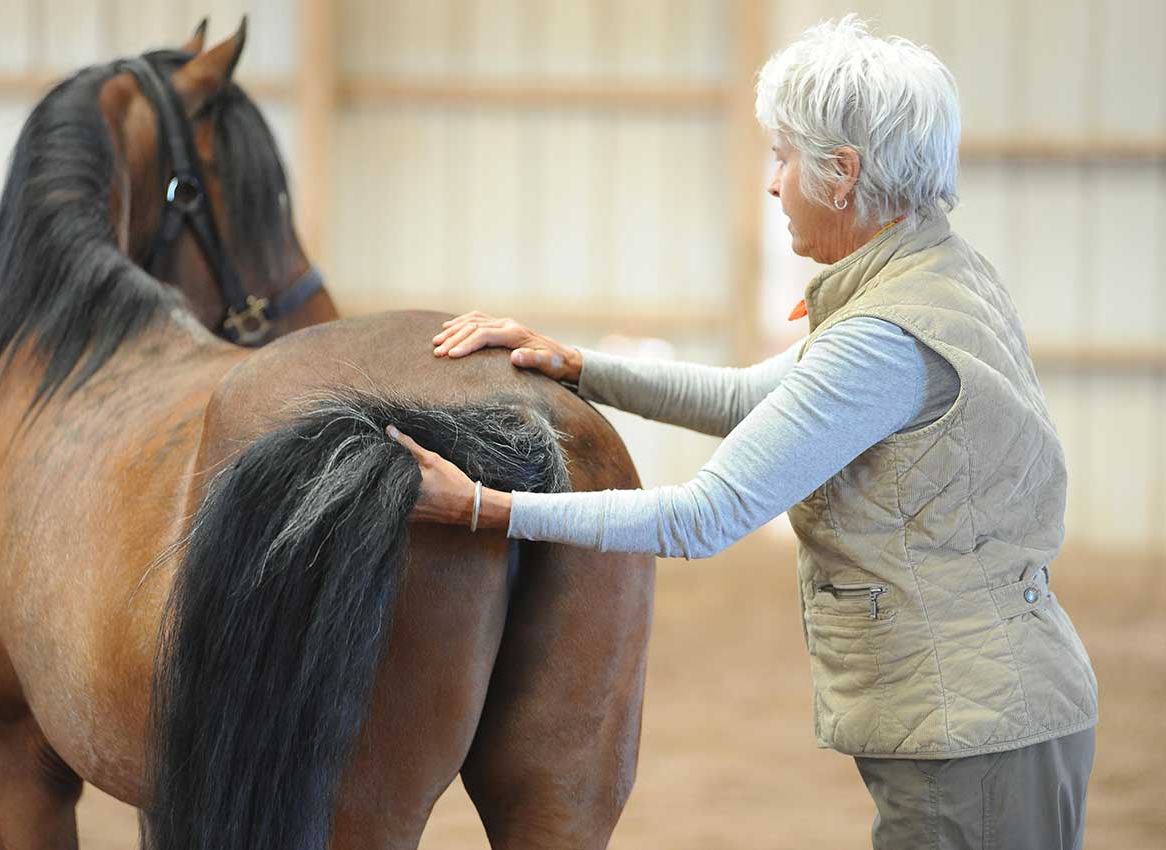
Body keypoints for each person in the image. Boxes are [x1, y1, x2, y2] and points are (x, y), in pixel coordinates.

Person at [387, 15, 1097, 850]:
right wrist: (578, 367)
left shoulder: (881, 340)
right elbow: (758, 396)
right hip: (998, 703)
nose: (771, 184)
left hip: (970, 731)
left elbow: (702, 517)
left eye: (782, 158)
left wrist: (484, 508)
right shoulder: (934, 273)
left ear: (843, 175)